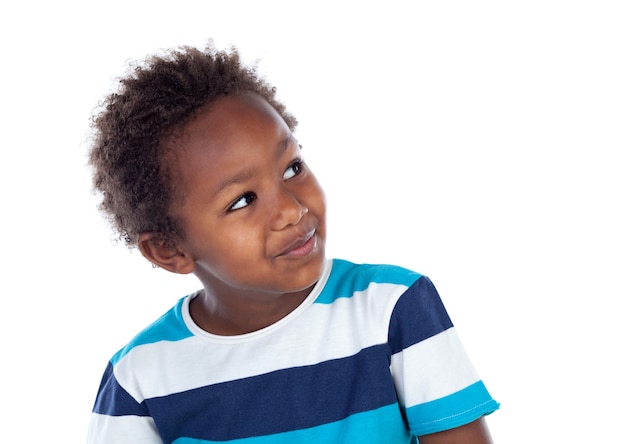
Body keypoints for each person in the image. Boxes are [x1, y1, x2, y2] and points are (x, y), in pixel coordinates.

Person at [87, 43, 499, 444]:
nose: (291, 209)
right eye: (243, 200)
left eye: (291, 169)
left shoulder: (392, 308)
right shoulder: (139, 381)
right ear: (169, 249)